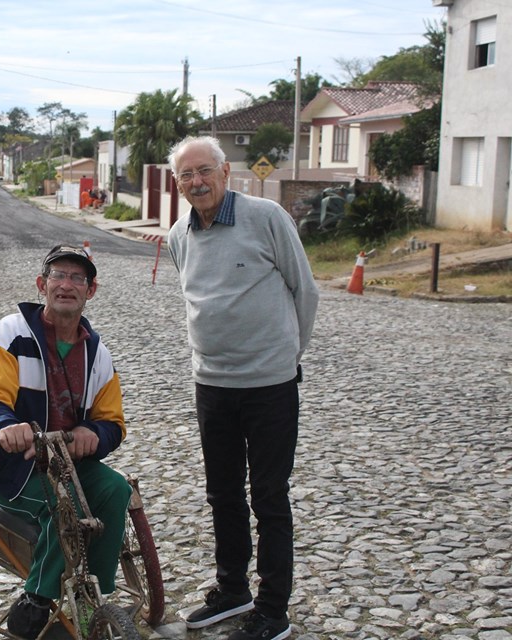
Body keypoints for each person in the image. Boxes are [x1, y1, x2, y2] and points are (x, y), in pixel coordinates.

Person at [166, 136, 319, 640]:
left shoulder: (266, 216)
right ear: (178, 182)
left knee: (269, 496)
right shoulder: (178, 235)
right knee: (222, 493)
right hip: (211, 384)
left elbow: (305, 290)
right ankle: (233, 590)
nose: (196, 182)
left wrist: (285, 357)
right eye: (186, 175)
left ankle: (273, 610)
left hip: (269, 385)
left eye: (204, 171)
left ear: (225, 172)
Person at [0, 245, 131, 640]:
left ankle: (95, 594)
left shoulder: (98, 354)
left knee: (115, 489)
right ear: (42, 285)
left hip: (69, 461)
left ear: (90, 291)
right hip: (15, 466)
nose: (67, 285)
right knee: (68, 509)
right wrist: (7, 426)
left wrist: (93, 434)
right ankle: (38, 598)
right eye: (59, 275)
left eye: (78, 278)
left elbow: (112, 421)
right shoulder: (12, 333)